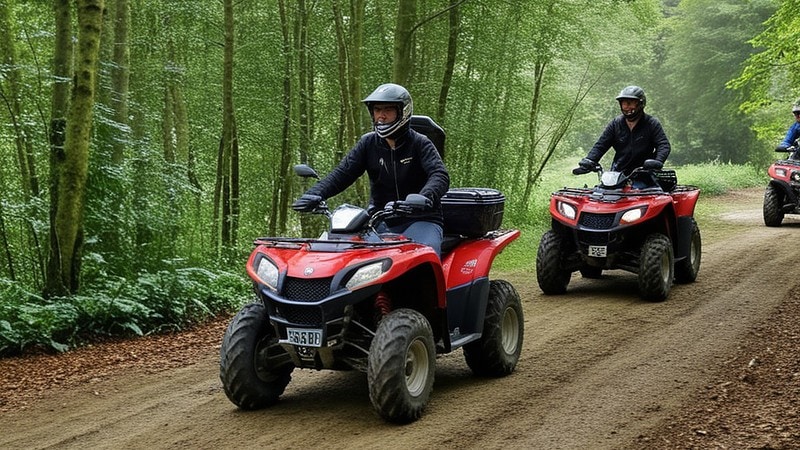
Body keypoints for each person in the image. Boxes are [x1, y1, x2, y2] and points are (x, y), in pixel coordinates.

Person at [292, 83, 450, 257]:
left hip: (421, 220)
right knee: (346, 258)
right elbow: (342, 174)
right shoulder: (368, 143)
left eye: (388, 110)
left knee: (425, 258)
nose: (381, 116)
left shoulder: (420, 143)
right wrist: (314, 194)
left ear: (403, 112)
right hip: (379, 221)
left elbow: (439, 175)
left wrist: (424, 197)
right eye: (377, 110)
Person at [578, 85, 671, 179]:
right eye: (624, 103)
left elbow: (663, 145)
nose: (627, 107)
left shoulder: (651, 123)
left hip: (645, 174)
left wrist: (657, 162)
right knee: (603, 191)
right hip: (618, 174)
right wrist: (589, 160)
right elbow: (601, 145)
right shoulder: (615, 124)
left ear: (641, 103)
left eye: (630, 103)